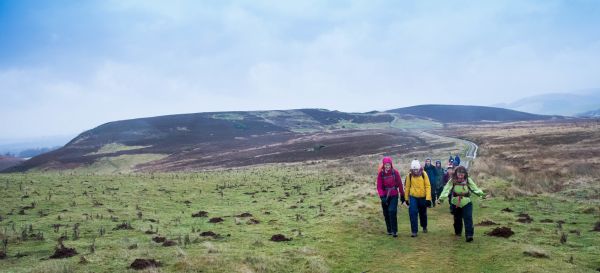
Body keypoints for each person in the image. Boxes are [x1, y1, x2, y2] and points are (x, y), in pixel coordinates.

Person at [438, 166, 485, 242]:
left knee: (468, 218)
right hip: (455, 202)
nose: (460, 175)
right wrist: (441, 198)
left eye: (462, 173)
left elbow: (474, 188)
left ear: (465, 173)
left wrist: (482, 194)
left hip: (466, 202)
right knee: (457, 219)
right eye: (459, 173)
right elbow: (446, 189)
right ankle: (458, 232)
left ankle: (469, 235)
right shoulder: (452, 180)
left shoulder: (468, 180)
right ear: (456, 173)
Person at [376, 157, 405, 237]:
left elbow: (400, 184)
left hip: (394, 195)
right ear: (384, 165)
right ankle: (389, 229)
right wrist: (382, 197)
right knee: (386, 213)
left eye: (388, 165)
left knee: (392, 211)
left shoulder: (395, 172)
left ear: (391, 165)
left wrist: (402, 195)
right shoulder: (381, 174)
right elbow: (379, 187)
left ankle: (394, 231)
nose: (387, 166)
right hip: (385, 196)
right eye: (386, 165)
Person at [404, 159, 431, 237]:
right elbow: (407, 187)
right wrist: (406, 198)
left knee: (423, 213)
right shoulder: (409, 175)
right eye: (414, 169)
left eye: (416, 169)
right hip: (413, 197)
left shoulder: (424, 174)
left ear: (419, 168)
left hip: (423, 197)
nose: (415, 171)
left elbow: (428, 186)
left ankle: (424, 226)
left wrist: (428, 198)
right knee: (412, 212)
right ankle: (414, 231)